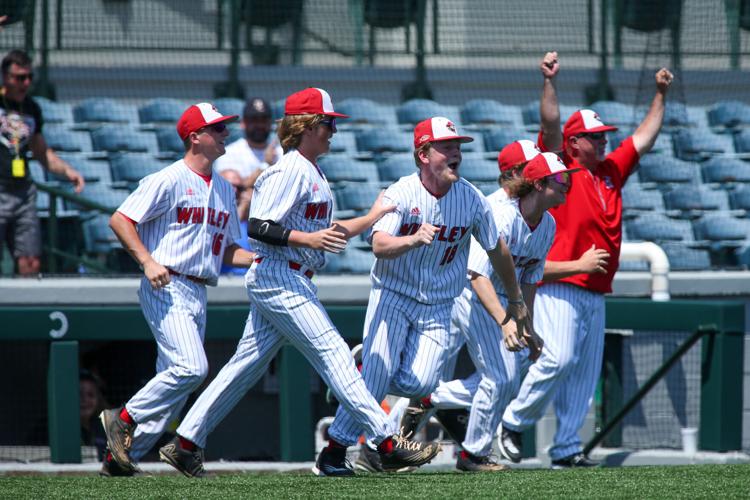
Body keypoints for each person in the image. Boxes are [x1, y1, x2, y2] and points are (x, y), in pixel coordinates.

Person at [159, 87, 441, 478]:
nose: (332, 131)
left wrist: (373, 214)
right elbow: (258, 228)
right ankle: (386, 441)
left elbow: (329, 231)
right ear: (307, 125)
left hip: (291, 275)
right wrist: (305, 239)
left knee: (244, 367)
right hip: (280, 275)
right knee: (335, 354)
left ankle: (187, 441)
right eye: (327, 123)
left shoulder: (310, 169)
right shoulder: (290, 167)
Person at [324, 115, 537, 473]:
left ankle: (358, 371)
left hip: (439, 303)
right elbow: (378, 244)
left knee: (421, 383)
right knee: (377, 379)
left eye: (459, 147)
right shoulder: (401, 192)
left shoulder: (471, 198)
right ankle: (335, 449)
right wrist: (412, 238)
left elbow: (497, 250)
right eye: (447, 147)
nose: (457, 153)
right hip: (393, 293)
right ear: (424, 154)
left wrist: (515, 299)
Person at [497, 55, 674, 468]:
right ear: (575, 143)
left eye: (604, 136)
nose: (603, 142)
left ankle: (566, 448)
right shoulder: (564, 168)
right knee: (556, 358)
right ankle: (512, 421)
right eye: (595, 137)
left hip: (596, 289)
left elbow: (643, 138)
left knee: (583, 373)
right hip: (561, 282)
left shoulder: (611, 170)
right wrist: (549, 82)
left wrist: (660, 94)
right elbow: (553, 122)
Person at [99, 102, 255, 476]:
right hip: (165, 283)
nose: (224, 134)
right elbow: (120, 219)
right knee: (192, 367)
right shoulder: (166, 179)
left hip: (199, 290)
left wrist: (265, 260)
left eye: (223, 128)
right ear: (195, 136)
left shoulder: (222, 188)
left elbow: (228, 250)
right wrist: (147, 261)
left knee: (175, 389)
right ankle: (122, 418)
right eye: (216, 129)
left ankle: (118, 460)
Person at [402, 152, 579, 472]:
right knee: (500, 378)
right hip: (470, 296)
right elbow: (477, 275)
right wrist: (505, 322)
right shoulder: (503, 215)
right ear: (539, 184)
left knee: (501, 380)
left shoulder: (548, 224)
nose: (568, 184)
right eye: (561, 179)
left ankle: (436, 403)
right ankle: (469, 453)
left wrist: (528, 325)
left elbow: (529, 279)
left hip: (500, 300)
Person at [0, 49, 84, 276]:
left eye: (29, 77)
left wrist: (67, 171)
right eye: (19, 78)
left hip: (23, 190)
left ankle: (23, 308)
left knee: (31, 261)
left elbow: (41, 151)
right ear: (5, 77)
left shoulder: (32, 108)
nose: (25, 83)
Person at [214, 97, 283, 192]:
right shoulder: (229, 153)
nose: (260, 125)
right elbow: (234, 190)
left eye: (264, 120)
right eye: (254, 120)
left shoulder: (282, 153)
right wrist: (265, 164)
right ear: (243, 123)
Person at [219, 168, 253, 275]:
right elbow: (229, 233)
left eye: (239, 187)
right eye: (230, 186)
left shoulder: (250, 216)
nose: (235, 191)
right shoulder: (214, 213)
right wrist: (243, 206)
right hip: (223, 281)